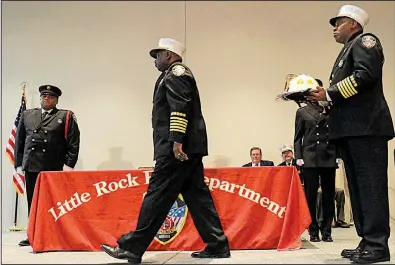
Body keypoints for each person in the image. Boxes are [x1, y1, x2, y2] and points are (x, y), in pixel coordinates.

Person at [101, 38, 230, 264]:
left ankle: (132, 247)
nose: (155, 60)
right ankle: (217, 244)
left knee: (157, 195)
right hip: (187, 148)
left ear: (169, 55)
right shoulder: (171, 74)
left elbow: (180, 108)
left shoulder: (176, 73)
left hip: (176, 149)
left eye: (157, 55)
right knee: (197, 196)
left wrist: (176, 142)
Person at [308, 4, 394, 263]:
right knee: (357, 189)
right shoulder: (347, 51)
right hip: (351, 129)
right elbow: (346, 92)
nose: (334, 27)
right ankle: (367, 240)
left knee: (370, 188)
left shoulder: (365, 41)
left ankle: (378, 245)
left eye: (339, 22)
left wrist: (329, 93)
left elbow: (366, 76)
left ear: (354, 25)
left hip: (367, 128)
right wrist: (322, 100)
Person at [14, 85, 80, 247]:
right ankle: (33, 235)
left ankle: (53, 234)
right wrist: (19, 163)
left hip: (53, 167)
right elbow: (20, 140)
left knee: (54, 203)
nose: (46, 99)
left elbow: (73, 143)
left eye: (50, 97)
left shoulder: (65, 116)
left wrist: (69, 165)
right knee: (33, 202)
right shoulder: (27, 115)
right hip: (32, 165)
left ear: (56, 100)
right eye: (44, 96)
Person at [294, 79, 337, 243]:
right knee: (310, 196)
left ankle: (327, 230)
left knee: (328, 196)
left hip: (328, 156)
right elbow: (298, 137)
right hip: (310, 158)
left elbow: (335, 133)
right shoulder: (302, 112)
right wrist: (299, 157)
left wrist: (338, 154)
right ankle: (313, 230)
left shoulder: (330, 109)